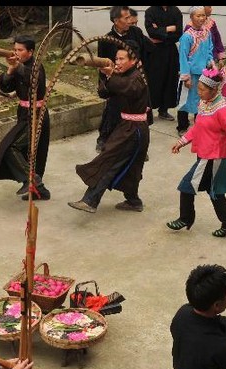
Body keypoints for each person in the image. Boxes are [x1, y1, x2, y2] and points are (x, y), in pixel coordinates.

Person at [167, 69, 226, 238]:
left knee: (186, 186)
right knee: (215, 192)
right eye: (199, 89)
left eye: (202, 90)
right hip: (205, 155)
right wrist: (182, 142)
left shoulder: (222, 110)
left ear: (214, 90)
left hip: (213, 157)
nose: (199, 92)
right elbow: (197, 128)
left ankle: (186, 218)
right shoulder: (204, 104)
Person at [71, 44, 149, 214]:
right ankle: (133, 201)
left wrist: (112, 75)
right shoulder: (123, 75)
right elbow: (104, 93)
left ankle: (90, 200)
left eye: (122, 59)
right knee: (128, 166)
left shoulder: (136, 77)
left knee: (110, 162)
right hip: (127, 127)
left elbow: (129, 88)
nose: (118, 62)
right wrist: (107, 75)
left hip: (134, 129)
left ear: (133, 60)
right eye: (116, 59)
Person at [0, 36, 51, 200]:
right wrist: (10, 70)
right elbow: (4, 86)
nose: (16, 53)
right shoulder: (17, 66)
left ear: (30, 52)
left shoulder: (37, 67)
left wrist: (18, 67)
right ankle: (40, 190)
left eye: (20, 50)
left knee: (11, 147)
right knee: (27, 152)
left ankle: (32, 180)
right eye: (15, 49)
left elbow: (33, 80)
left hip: (37, 116)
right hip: (23, 114)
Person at [97, 6, 152, 150]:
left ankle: (138, 143)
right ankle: (104, 138)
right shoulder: (106, 39)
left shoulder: (136, 32)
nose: (130, 21)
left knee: (136, 111)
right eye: (126, 18)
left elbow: (146, 51)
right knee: (113, 110)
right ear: (116, 20)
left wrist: (139, 65)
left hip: (133, 77)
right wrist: (106, 82)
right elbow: (103, 64)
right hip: (116, 79)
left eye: (130, 18)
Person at [176, 7, 214, 136]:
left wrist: (210, 62)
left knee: (201, 100)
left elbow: (210, 50)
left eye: (203, 15)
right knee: (185, 101)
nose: (201, 18)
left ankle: (199, 125)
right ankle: (182, 126)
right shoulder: (186, 36)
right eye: (198, 16)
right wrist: (186, 77)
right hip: (190, 74)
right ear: (191, 17)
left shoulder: (207, 32)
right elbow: (183, 57)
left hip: (203, 73)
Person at [144, 6, 183, 121]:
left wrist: (160, 30)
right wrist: (168, 29)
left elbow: (178, 33)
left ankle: (163, 110)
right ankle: (148, 111)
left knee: (169, 79)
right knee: (153, 80)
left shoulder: (176, 11)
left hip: (170, 51)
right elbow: (150, 31)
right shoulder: (150, 11)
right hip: (154, 51)